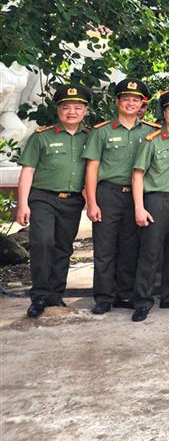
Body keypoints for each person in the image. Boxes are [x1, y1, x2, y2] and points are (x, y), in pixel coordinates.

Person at [16, 84, 92, 318]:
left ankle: (55, 294)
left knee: (62, 247)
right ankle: (39, 295)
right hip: (43, 198)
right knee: (42, 243)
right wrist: (22, 204)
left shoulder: (91, 137)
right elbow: (27, 171)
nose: (72, 112)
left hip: (72, 201)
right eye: (66, 107)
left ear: (85, 111)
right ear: (58, 110)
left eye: (77, 108)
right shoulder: (42, 137)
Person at [83, 78, 156, 314]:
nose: (130, 103)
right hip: (108, 194)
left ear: (142, 104)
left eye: (136, 100)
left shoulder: (151, 132)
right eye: (126, 99)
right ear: (117, 102)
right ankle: (104, 297)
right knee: (104, 248)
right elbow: (92, 168)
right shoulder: (102, 131)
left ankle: (125, 294)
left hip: (137, 197)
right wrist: (91, 202)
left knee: (130, 247)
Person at [130, 89, 169, 322]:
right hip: (156, 200)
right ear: (164, 113)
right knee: (150, 252)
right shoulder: (153, 141)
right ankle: (143, 300)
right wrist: (139, 206)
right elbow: (137, 175)